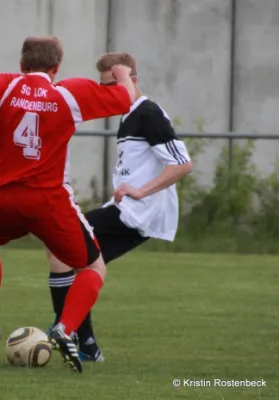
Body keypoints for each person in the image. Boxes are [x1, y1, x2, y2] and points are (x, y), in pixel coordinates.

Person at [0, 37, 135, 373]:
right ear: (56, 67)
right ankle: (66, 329)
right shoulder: (69, 92)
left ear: (22, 64)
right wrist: (123, 75)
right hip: (47, 200)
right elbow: (125, 100)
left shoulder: (4, 85)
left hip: (1, 199)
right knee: (94, 268)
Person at [46, 52, 193, 362]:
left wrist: (141, 191)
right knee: (74, 259)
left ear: (132, 80)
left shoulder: (148, 113)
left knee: (64, 246)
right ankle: (78, 339)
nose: (108, 93)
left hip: (138, 213)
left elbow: (181, 165)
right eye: (103, 86)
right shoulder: (129, 114)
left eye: (113, 84)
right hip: (127, 210)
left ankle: (72, 333)